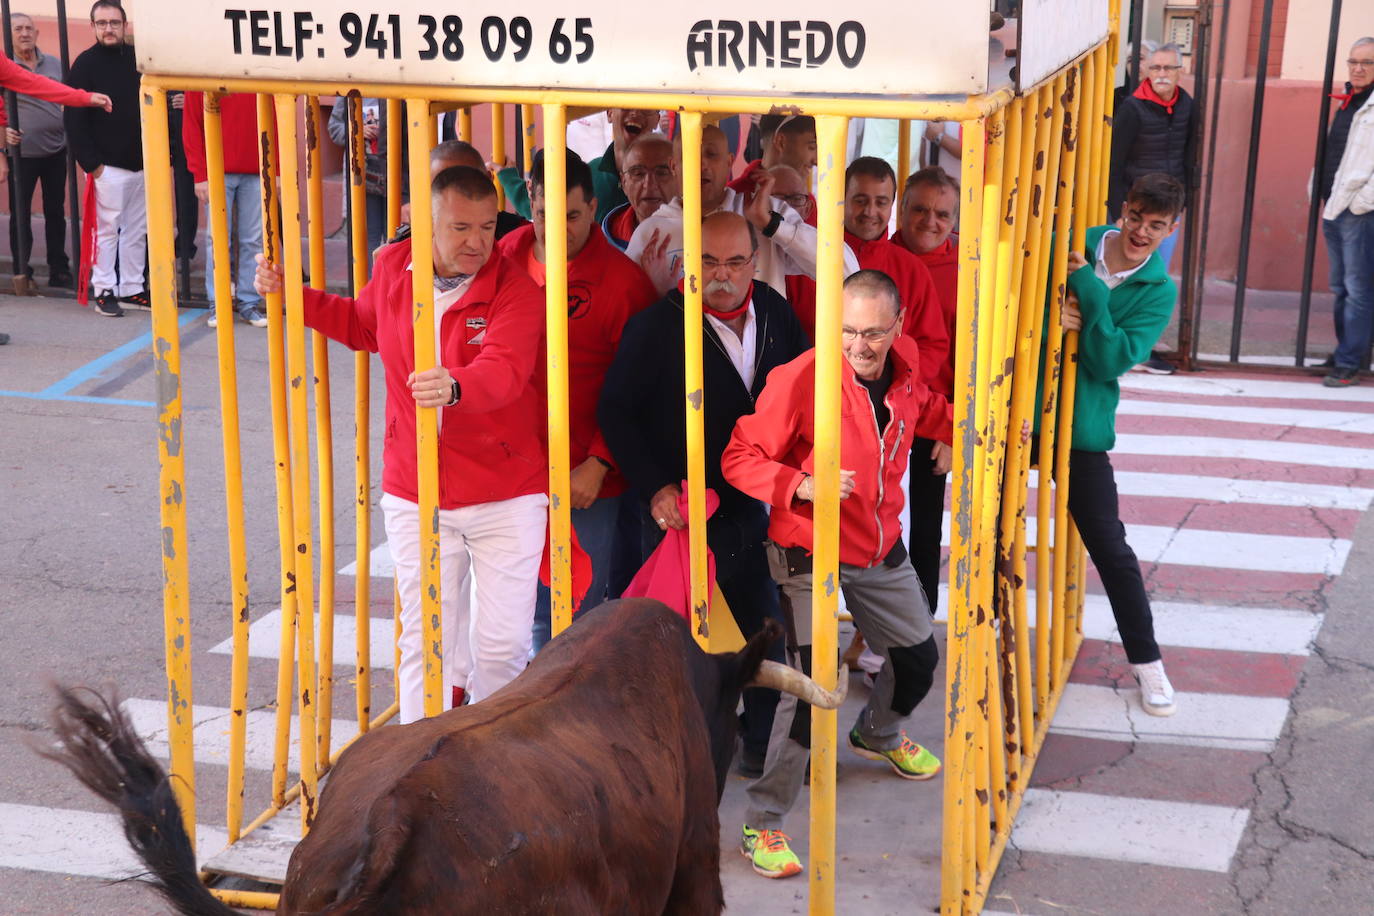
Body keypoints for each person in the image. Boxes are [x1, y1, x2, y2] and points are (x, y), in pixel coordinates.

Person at [254, 166, 548, 723]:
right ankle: (418, 773)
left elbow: (505, 372)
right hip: (417, 493)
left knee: (500, 651)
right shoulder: (392, 266)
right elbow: (364, 326)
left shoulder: (517, 289)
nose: (478, 242)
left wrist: (456, 384)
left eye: (487, 227)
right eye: (461, 227)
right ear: (422, 222)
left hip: (505, 496)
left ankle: (490, 776)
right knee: (425, 641)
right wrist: (294, 295)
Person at [722, 269, 953, 879]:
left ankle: (876, 733)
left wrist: (968, 429)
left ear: (897, 328)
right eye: (848, 330)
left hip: (880, 548)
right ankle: (761, 825)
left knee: (920, 658)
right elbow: (738, 457)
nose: (860, 345)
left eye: (875, 332)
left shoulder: (903, 367)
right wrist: (802, 485)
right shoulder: (803, 379)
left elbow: (922, 410)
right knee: (811, 690)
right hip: (807, 552)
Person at [599, 210, 809, 778]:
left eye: (735, 261)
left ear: (753, 262)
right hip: (683, 515)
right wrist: (655, 488)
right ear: (687, 264)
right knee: (676, 645)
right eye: (708, 262)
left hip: (756, 507)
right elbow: (615, 412)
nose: (722, 275)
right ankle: (665, 759)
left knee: (762, 629)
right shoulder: (658, 327)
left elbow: (806, 392)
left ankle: (762, 743)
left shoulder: (775, 312)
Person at [498, 149, 656, 647]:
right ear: (530, 203)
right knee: (508, 617)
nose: (557, 227)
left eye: (571, 215)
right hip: (508, 474)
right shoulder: (502, 258)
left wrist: (600, 462)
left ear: (592, 207)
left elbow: (642, 387)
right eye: (544, 213)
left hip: (583, 482)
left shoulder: (623, 284)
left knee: (568, 622)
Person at [1042, 172, 1184, 717]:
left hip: (1081, 428)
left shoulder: (1159, 290)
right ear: (1122, 210)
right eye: (1135, 219)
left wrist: (1091, 296)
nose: (1142, 233)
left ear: (1172, 228)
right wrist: (1054, 323)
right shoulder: (1072, 245)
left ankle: (1148, 666)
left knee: (1112, 549)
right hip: (1025, 417)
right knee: (983, 535)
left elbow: (1109, 361)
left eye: (1156, 226)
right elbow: (1020, 309)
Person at [626, 123, 856, 297]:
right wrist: (656, 292)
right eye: (690, 155)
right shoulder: (651, 233)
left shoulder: (765, 213)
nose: (701, 164)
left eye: (711, 154)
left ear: (729, 162)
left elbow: (846, 271)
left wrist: (772, 225)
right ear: (674, 166)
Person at [892, 166, 960, 615]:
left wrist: (953, 427)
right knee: (876, 526)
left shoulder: (970, 267)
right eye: (920, 209)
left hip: (936, 420)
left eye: (942, 213)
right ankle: (870, 629)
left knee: (924, 530)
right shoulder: (880, 255)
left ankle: (915, 631)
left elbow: (980, 355)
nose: (930, 221)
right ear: (902, 209)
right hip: (881, 410)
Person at [1108, 41, 1196, 375]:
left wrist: (1183, 201)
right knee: (1128, 273)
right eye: (1156, 68)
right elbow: (1115, 162)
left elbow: (1189, 153)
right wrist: (1120, 209)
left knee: (1155, 274)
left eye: (1168, 68)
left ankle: (1140, 345)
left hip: (1169, 210)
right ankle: (1127, 347)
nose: (1161, 74)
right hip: (1136, 208)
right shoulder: (1132, 108)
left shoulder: (1186, 105)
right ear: (1145, 71)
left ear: (1180, 70)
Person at [842, 158, 949, 397]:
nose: (870, 212)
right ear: (842, 199)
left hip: (892, 401)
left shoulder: (912, 269)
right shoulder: (808, 259)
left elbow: (933, 346)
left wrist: (896, 386)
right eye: (860, 201)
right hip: (823, 400)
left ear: (892, 206)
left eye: (880, 202)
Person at [65, 0, 144, 318]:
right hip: (106, 167)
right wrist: (91, 164)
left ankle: (132, 288)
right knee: (107, 230)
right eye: (102, 23)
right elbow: (74, 117)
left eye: (114, 22)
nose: (109, 28)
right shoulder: (85, 64)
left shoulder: (139, 59)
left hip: (143, 163)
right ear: (93, 27)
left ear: (125, 25)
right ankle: (104, 289)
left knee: (138, 229)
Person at [6, 12, 79, 290]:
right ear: (8, 34)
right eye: (18, 29)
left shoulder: (54, 63)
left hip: (55, 150)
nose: (24, 34)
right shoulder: (6, 67)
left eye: (28, 29)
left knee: (56, 212)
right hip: (20, 154)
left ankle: (59, 269)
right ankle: (22, 270)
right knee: (20, 214)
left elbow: (66, 96)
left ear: (36, 34)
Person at [1317, 37, 1374, 388]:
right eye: (1353, 61)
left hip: (1359, 210)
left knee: (1358, 288)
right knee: (1340, 286)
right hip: (1335, 204)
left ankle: (1351, 360)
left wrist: (1363, 201)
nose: (1358, 67)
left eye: (1367, 62)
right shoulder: (1348, 100)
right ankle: (1345, 351)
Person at [182, 91, 266, 327]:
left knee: (253, 239)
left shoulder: (256, 72)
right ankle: (218, 303)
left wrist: (276, 169)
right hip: (218, 170)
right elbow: (192, 125)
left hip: (254, 168)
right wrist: (199, 174)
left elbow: (275, 119)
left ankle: (248, 303)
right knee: (218, 239)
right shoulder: (202, 74)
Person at [498, 108, 659, 222]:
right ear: (610, 113)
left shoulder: (671, 176)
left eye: (647, 107)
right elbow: (546, 203)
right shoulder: (591, 173)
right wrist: (508, 177)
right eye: (626, 105)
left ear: (657, 120)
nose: (636, 112)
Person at [390, 139, 527, 244]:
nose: (454, 198)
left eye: (465, 185)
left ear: (489, 179)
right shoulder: (407, 249)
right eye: (440, 188)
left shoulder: (521, 238)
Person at [326, 95, 401, 253]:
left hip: (396, 174)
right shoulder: (350, 89)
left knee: (395, 235)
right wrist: (356, 131)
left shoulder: (398, 86)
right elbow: (334, 127)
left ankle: (387, 276)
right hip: (363, 176)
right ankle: (369, 277)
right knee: (368, 238)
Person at [600, 135, 678, 250]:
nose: (649, 184)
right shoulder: (607, 238)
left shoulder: (700, 232)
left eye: (661, 173)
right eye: (638, 174)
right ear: (624, 182)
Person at [728, 114, 817, 193]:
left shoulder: (808, 200)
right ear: (781, 142)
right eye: (812, 147)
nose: (816, 161)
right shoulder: (732, 200)